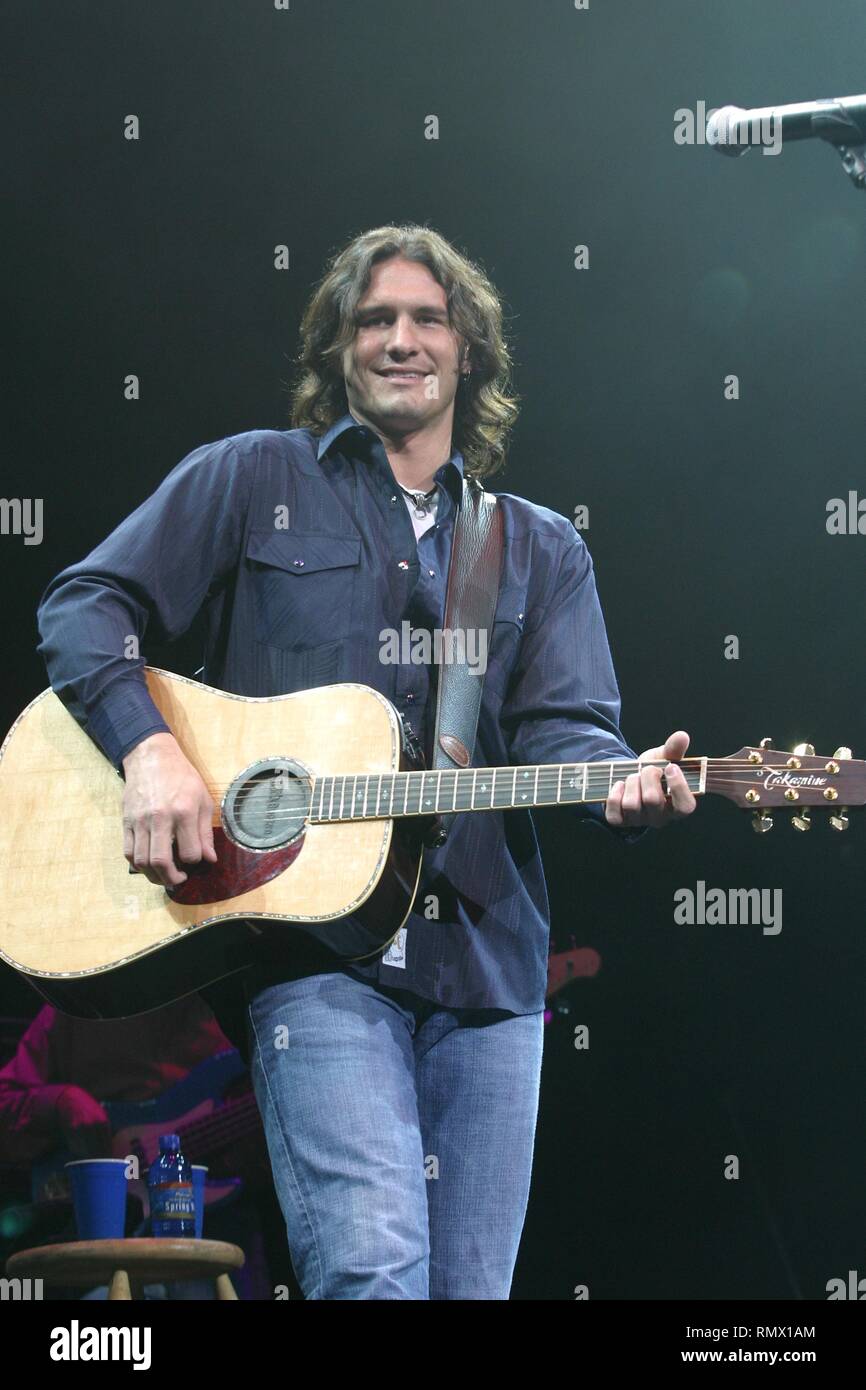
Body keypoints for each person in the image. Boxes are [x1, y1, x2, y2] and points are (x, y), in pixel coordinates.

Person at [36, 224, 697, 1300]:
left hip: (487, 967)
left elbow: (564, 732)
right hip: (318, 964)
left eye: (426, 318)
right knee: (372, 1272)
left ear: (467, 349)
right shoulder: (253, 476)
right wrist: (150, 750)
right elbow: (83, 605)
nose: (400, 339)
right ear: (338, 349)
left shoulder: (535, 547)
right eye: (373, 319)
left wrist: (622, 782)